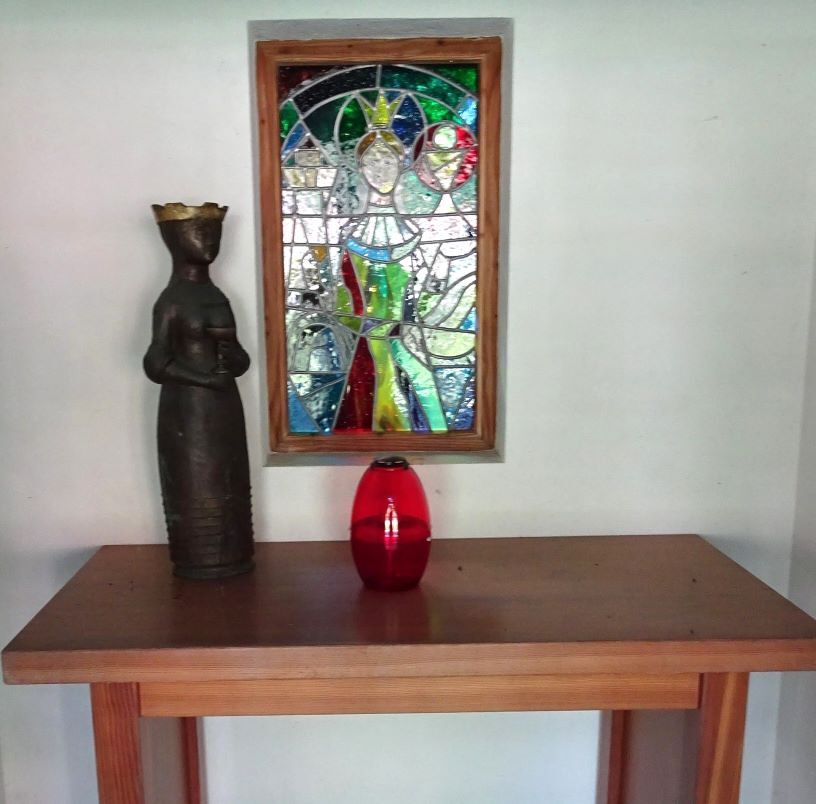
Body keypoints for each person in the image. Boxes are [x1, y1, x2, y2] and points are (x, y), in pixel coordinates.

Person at [144, 202, 254, 578]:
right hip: (187, 413)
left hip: (224, 408)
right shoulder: (172, 300)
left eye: (214, 232)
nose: (209, 240)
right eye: (199, 231)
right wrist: (206, 379)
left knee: (230, 480)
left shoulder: (217, 296)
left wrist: (234, 358)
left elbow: (239, 356)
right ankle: (199, 558)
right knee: (195, 483)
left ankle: (235, 553)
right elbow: (155, 363)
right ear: (175, 239)